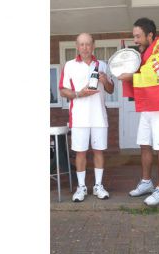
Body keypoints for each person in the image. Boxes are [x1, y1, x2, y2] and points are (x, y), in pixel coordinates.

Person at [117, 18, 159, 206]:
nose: (135, 40)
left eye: (138, 36)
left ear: (149, 35)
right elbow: (140, 70)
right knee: (144, 144)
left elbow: (151, 75)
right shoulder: (146, 53)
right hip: (149, 106)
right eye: (134, 36)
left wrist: (130, 75)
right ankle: (146, 183)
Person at [59, 33, 114, 202]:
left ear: (93, 45)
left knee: (99, 151)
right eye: (81, 44)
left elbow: (111, 90)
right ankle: (81, 187)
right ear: (77, 46)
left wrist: (105, 81)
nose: (85, 48)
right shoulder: (69, 65)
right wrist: (78, 93)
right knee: (80, 153)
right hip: (79, 117)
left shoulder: (102, 65)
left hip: (99, 116)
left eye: (88, 44)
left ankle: (98, 186)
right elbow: (62, 90)